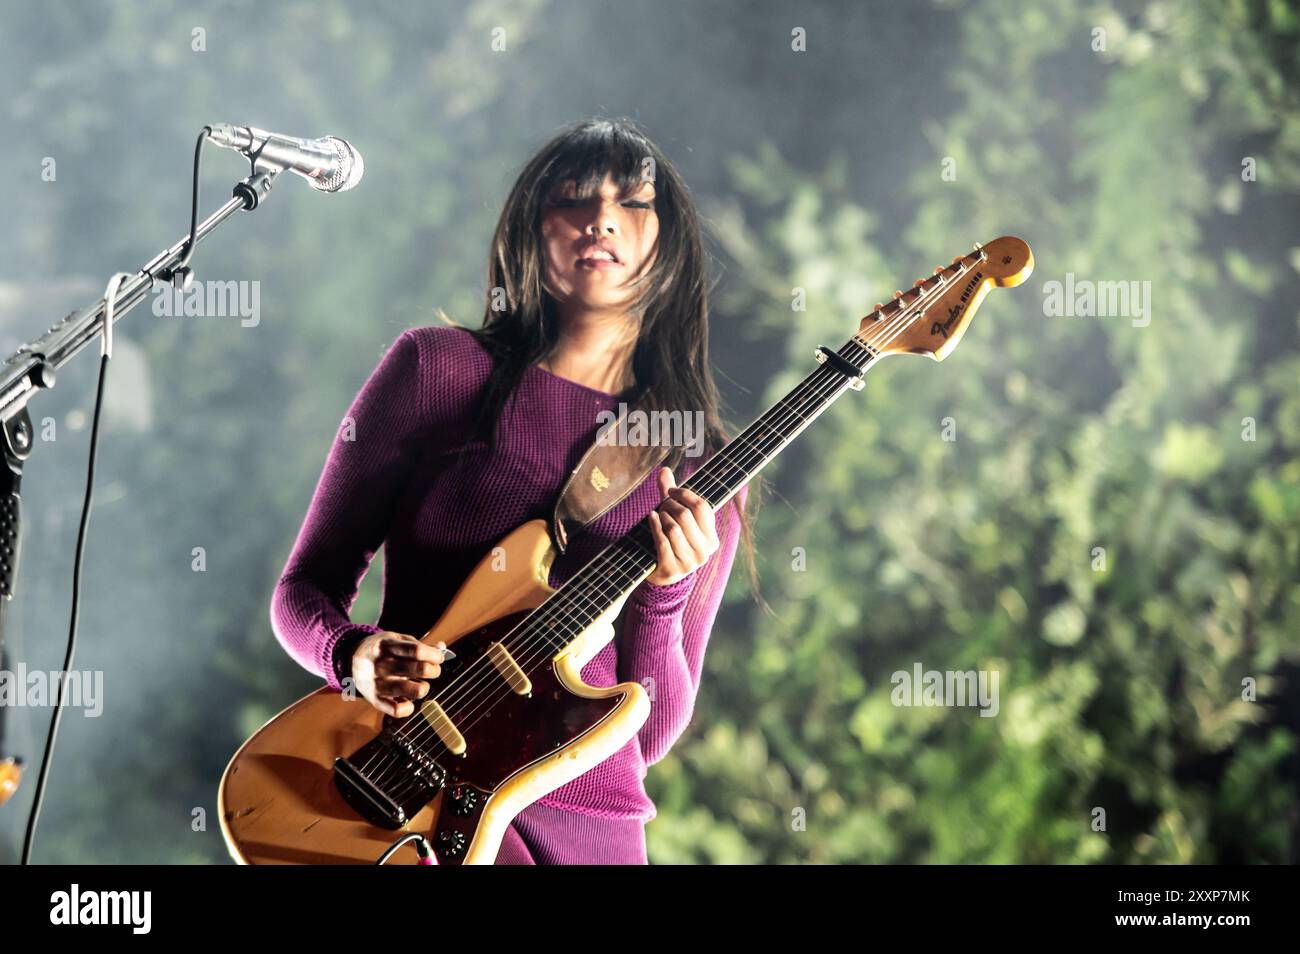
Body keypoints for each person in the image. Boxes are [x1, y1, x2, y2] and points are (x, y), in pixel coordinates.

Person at [270, 117, 760, 864]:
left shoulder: (693, 464)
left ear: (669, 243)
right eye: (572, 198)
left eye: (632, 202)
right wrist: (351, 656)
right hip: (417, 799)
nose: (601, 218)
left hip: (592, 827)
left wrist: (665, 595)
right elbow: (303, 589)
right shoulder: (436, 372)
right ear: (531, 231)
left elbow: (652, 735)